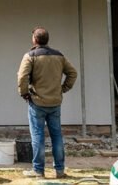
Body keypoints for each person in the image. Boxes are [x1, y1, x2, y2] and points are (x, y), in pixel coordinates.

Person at [17, 27, 78, 179]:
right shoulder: (60, 56)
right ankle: (60, 170)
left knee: (37, 136)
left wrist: (24, 93)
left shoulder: (30, 56)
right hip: (55, 102)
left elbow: (22, 77)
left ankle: (38, 171)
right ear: (47, 40)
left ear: (35, 40)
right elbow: (73, 73)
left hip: (37, 102)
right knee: (57, 136)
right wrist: (63, 89)